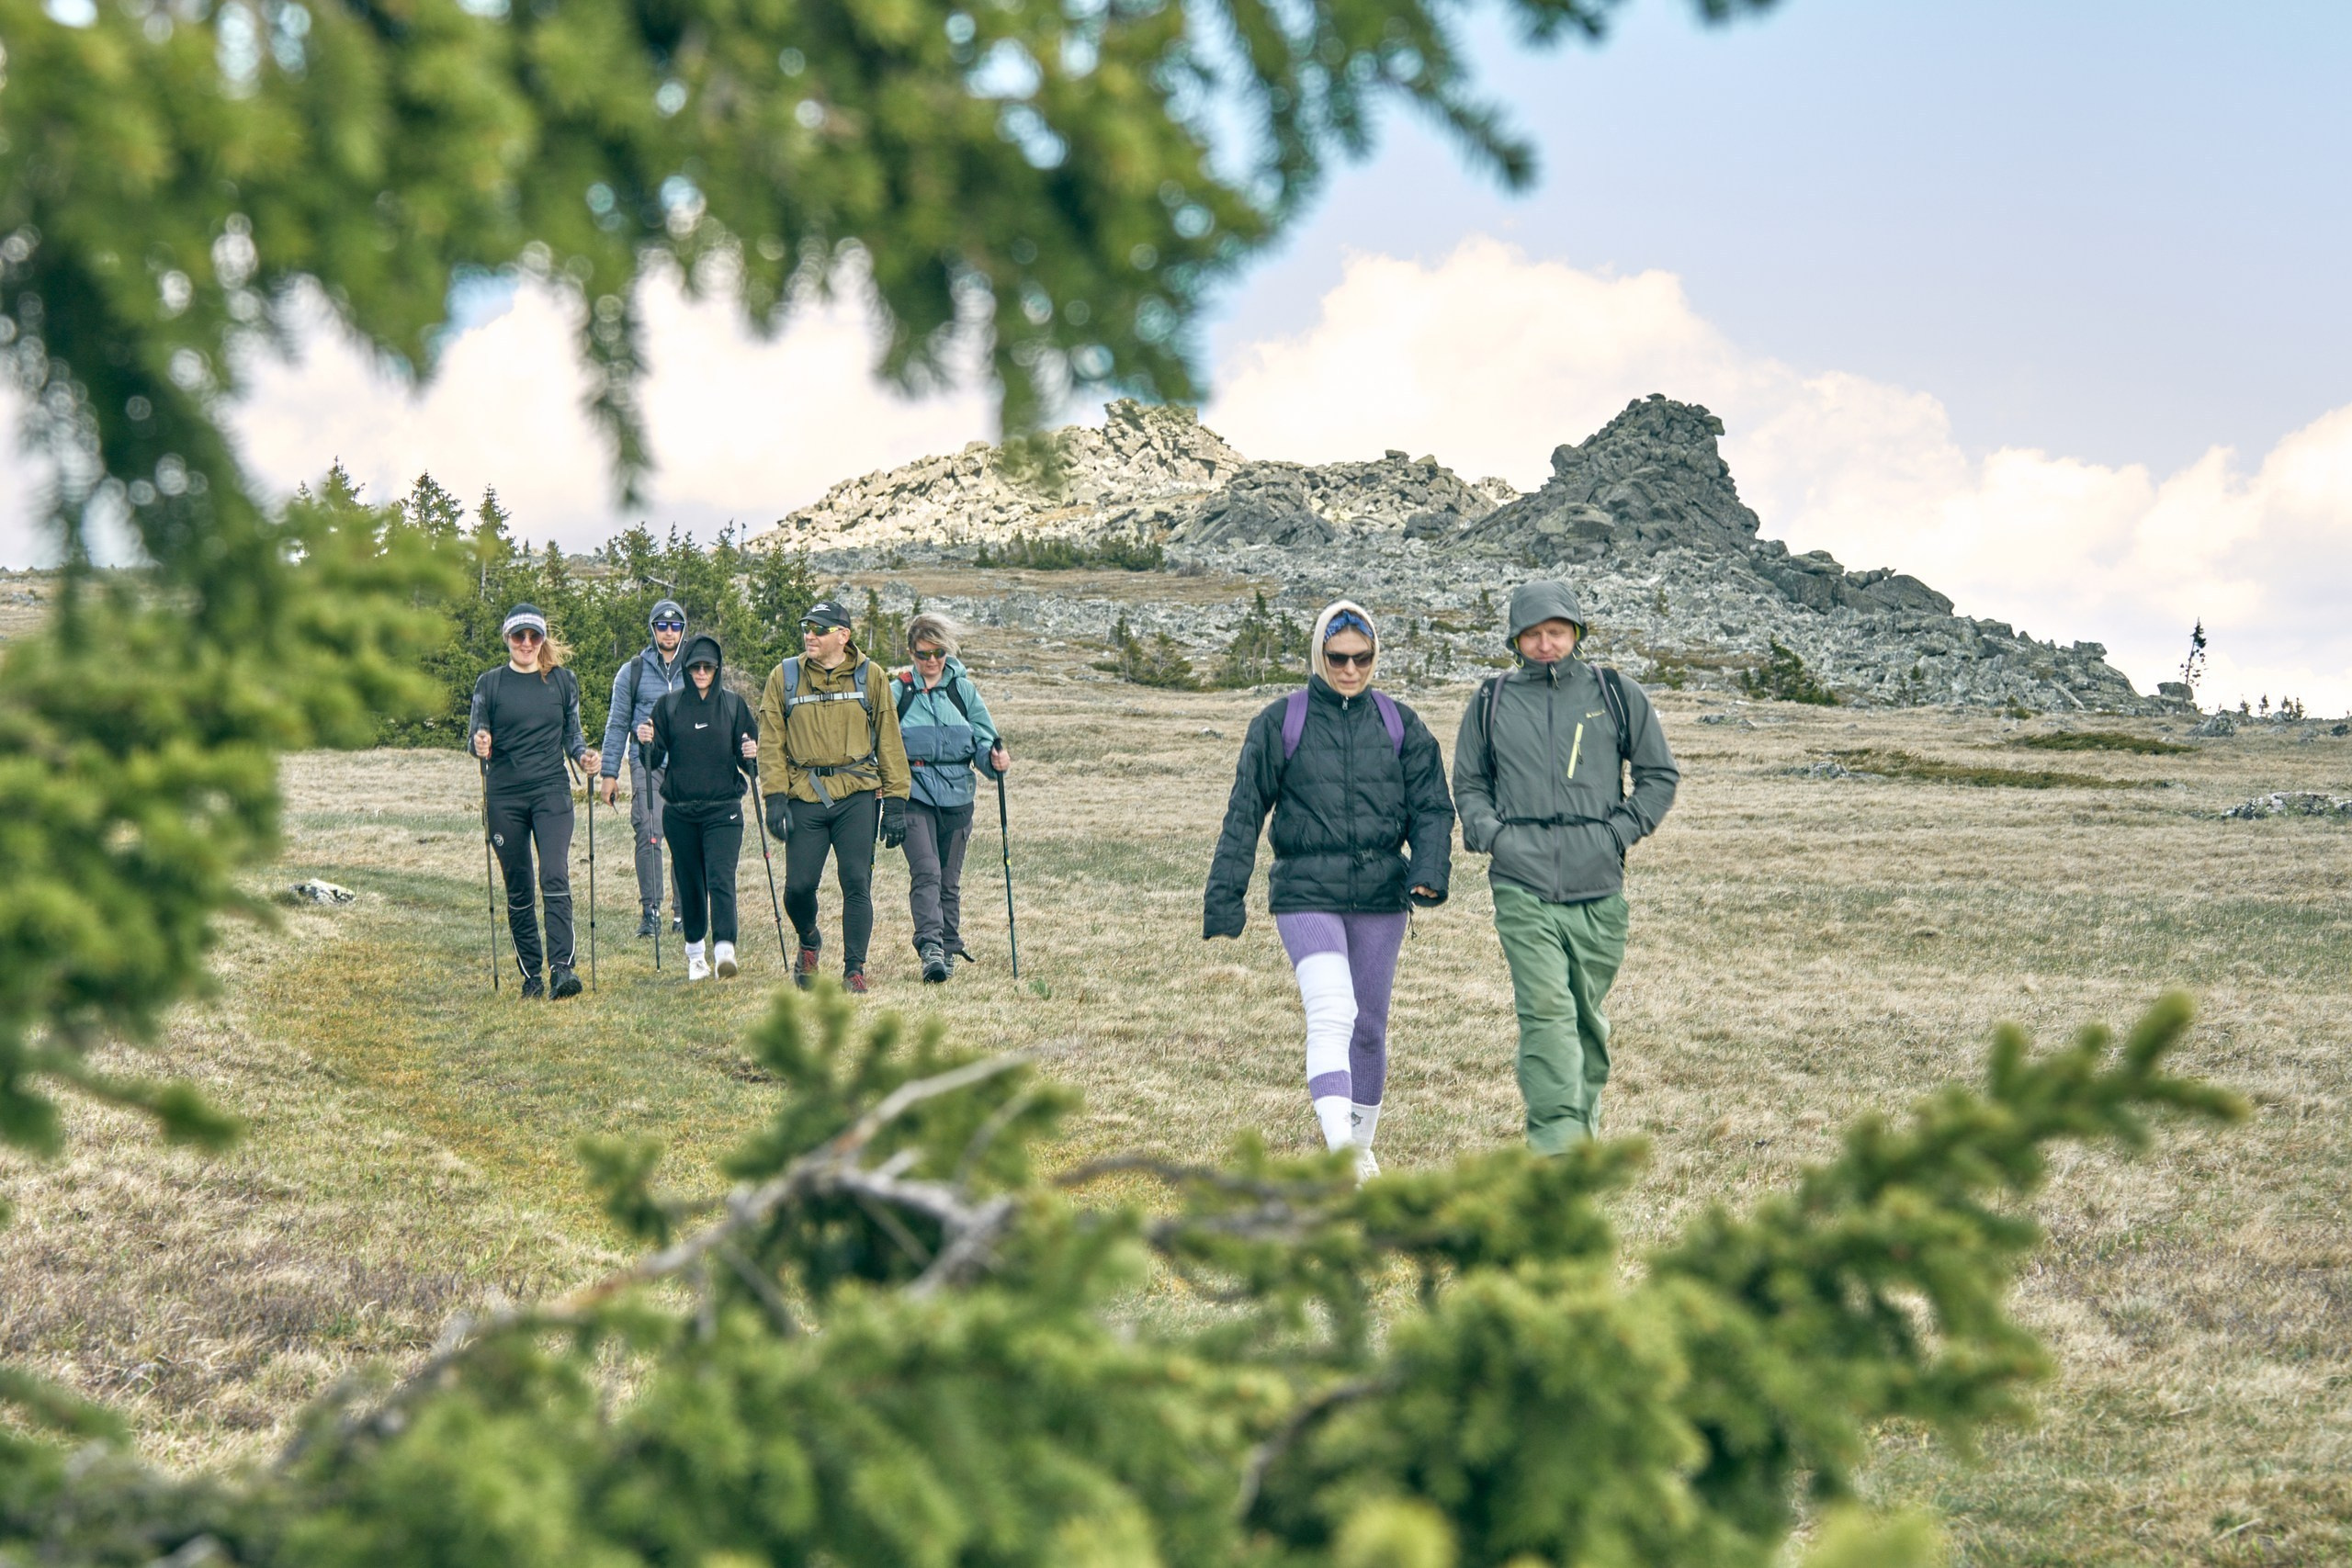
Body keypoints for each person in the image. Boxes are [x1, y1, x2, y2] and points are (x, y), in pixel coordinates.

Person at [1204, 601, 1453, 1177]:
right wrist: (1224, 897)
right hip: (1304, 892)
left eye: (1361, 659)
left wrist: (1429, 873)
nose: (1349, 670)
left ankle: (1360, 1145)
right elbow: (1245, 812)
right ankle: (1341, 1152)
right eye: (1337, 658)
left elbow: (1433, 808)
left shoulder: (1401, 724)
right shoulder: (1280, 721)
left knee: (1368, 1027)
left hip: (1381, 896)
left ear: (1374, 657)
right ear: (1319, 654)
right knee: (1332, 1010)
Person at [1453, 581, 1679, 1153]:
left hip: (1599, 883)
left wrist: (1616, 834)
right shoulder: (1491, 700)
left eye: (1556, 632)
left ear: (1576, 633)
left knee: (1586, 1021)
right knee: (1547, 1015)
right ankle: (1556, 1153)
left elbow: (1659, 776)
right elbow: (1471, 784)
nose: (1545, 644)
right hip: (1521, 882)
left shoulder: (1615, 692)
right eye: (1533, 634)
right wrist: (1495, 838)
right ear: (1515, 640)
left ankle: (1581, 1138)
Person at [757, 599, 911, 994]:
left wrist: (895, 801)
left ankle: (853, 970)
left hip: (857, 795)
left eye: (820, 629)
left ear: (843, 636)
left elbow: (890, 739)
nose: (810, 634)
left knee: (856, 881)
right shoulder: (784, 676)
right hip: (803, 796)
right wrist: (774, 797)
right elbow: (771, 740)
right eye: (807, 626)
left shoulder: (870, 676)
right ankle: (809, 941)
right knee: (798, 888)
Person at [469, 604, 600, 999]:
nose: (526, 643)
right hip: (504, 796)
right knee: (520, 886)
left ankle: (562, 969)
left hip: (552, 792)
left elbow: (572, 737)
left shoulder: (562, 681)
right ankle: (531, 976)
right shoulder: (489, 684)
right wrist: (481, 744)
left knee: (554, 875)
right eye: (518, 636)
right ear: (507, 639)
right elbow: (475, 738)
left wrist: (584, 757)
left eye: (534, 636)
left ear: (542, 640)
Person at [890, 614, 1009, 984]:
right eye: (924, 653)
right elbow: (882, 742)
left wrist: (994, 759)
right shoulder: (899, 692)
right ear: (912, 652)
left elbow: (984, 738)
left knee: (948, 879)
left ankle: (949, 943)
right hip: (915, 795)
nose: (932, 660)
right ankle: (931, 949)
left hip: (958, 795)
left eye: (939, 652)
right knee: (926, 871)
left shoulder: (963, 690)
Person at [642, 633, 759, 981]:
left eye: (708, 666)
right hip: (679, 812)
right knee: (690, 882)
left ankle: (725, 950)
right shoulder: (669, 706)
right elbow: (654, 759)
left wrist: (752, 755)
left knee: (721, 877)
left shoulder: (735, 706)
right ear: (686, 668)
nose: (702, 672)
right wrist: (645, 742)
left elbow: (747, 761)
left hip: (724, 809)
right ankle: (695, 954)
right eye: (695, 667)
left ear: (717, 668)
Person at [598, 599, 688, 938]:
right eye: (662, 626)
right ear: (652, 629)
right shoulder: (632, 670)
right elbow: (617, 724)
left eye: (675, 625)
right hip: (646, 761)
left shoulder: (697, 667)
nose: (669, 632)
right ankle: (650, 912)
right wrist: (609, 774)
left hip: (687, 765)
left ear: (683, 629)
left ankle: (684, 913)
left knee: (684, 838)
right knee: (649, 832)